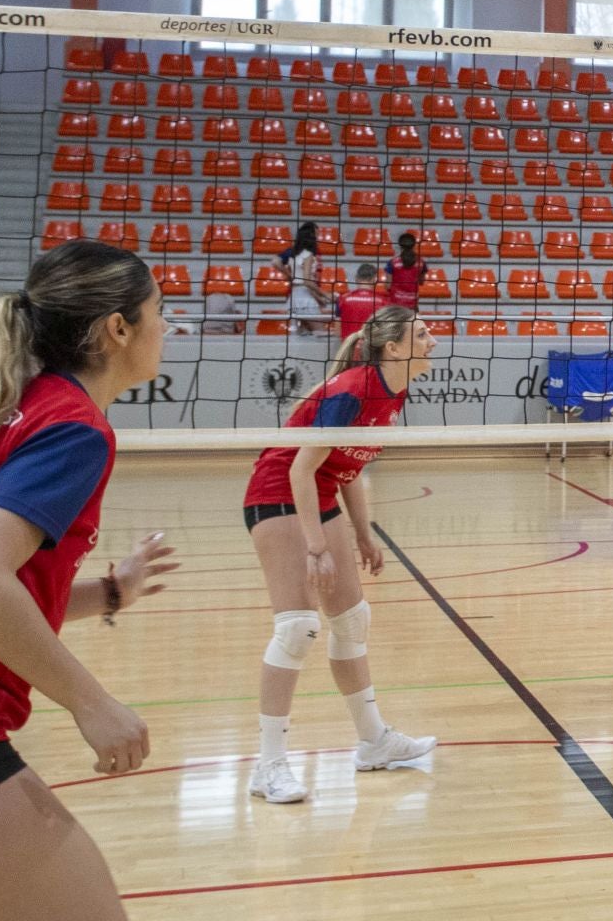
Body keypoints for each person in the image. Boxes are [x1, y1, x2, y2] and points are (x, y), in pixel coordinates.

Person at [0, 241, 179, 921]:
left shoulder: (0, 402)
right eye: (160, 310)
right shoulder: (71, 427)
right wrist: (91, 702)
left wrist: (111, 593)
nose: (168, 327)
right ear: (117, 329)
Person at [244, 305, 440, 803]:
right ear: (393, 349)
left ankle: (373, 741)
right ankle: (268, 767)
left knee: (352, 619)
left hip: (321, 492)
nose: (434, 339)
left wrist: (363, 534)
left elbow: (348, 467)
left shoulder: (393, 392)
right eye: (422, 333)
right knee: (297, 628)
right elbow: (300, 471)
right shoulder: (353, 390)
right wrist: (315, 546)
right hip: (278, 493)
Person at [279, 221, 330, 335]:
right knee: (320, 333)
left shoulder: (292, 254)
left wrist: (317, 297)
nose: (317, 238)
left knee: (298, 335)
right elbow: (307, 281)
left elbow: (298, 279)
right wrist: (324, 294)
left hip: (294, 297)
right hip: (305, 298)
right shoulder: (308, 254)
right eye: (316, 235)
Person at [337, 264, 383, 340]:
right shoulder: (383, 301)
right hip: (371, 348)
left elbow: (337, 331)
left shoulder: (342, 299)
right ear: (375, 279)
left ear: (356, 278)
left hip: (348, 347)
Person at [383, 232, 424, 311]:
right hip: (412, 305)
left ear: (400, 246)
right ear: (414, 246)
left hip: (396, 305)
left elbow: (388, 285)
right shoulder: (421, 262)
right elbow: (421, 282)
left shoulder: (392, 262)